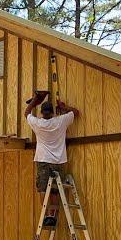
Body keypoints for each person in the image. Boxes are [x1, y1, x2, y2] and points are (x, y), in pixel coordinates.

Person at [25, 94, 80, 226]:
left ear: (42, 113)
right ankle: (53, 216)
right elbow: (76, 112)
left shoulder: (37, 124)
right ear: (53, 112)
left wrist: (35, 100)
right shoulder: (61, 121)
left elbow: (26, 113)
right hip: (59, 161)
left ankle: (46, 216)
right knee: (55, 189)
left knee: (43, 189)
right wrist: (64, 107)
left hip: (43, 160)